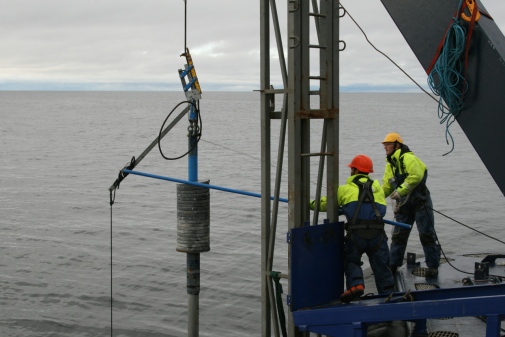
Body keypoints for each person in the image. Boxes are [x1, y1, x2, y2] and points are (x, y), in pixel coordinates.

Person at [310, 154, 394, 303]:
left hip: (357, 236)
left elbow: (325, 204)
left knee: (351, 260)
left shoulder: (344, 190)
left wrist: (309, 203)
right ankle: (389, 298)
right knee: (382, 268)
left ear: (354, 170)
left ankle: (356, 284)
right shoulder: (378, 189)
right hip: (378, 236)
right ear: (368, 172)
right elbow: (382, 209)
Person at [381, 132, 440, 277]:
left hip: (420, 202)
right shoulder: (390, 165)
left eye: (387, 144)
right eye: (384, 145)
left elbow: (416, 176)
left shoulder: (408, 158)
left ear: (397, 145)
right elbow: (387, 186)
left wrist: (400, 191)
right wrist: (377, 198)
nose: (385, 147)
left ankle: (433, 266)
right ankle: (393, 265)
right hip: (404, 205)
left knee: (426, 234)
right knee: (398, 235)